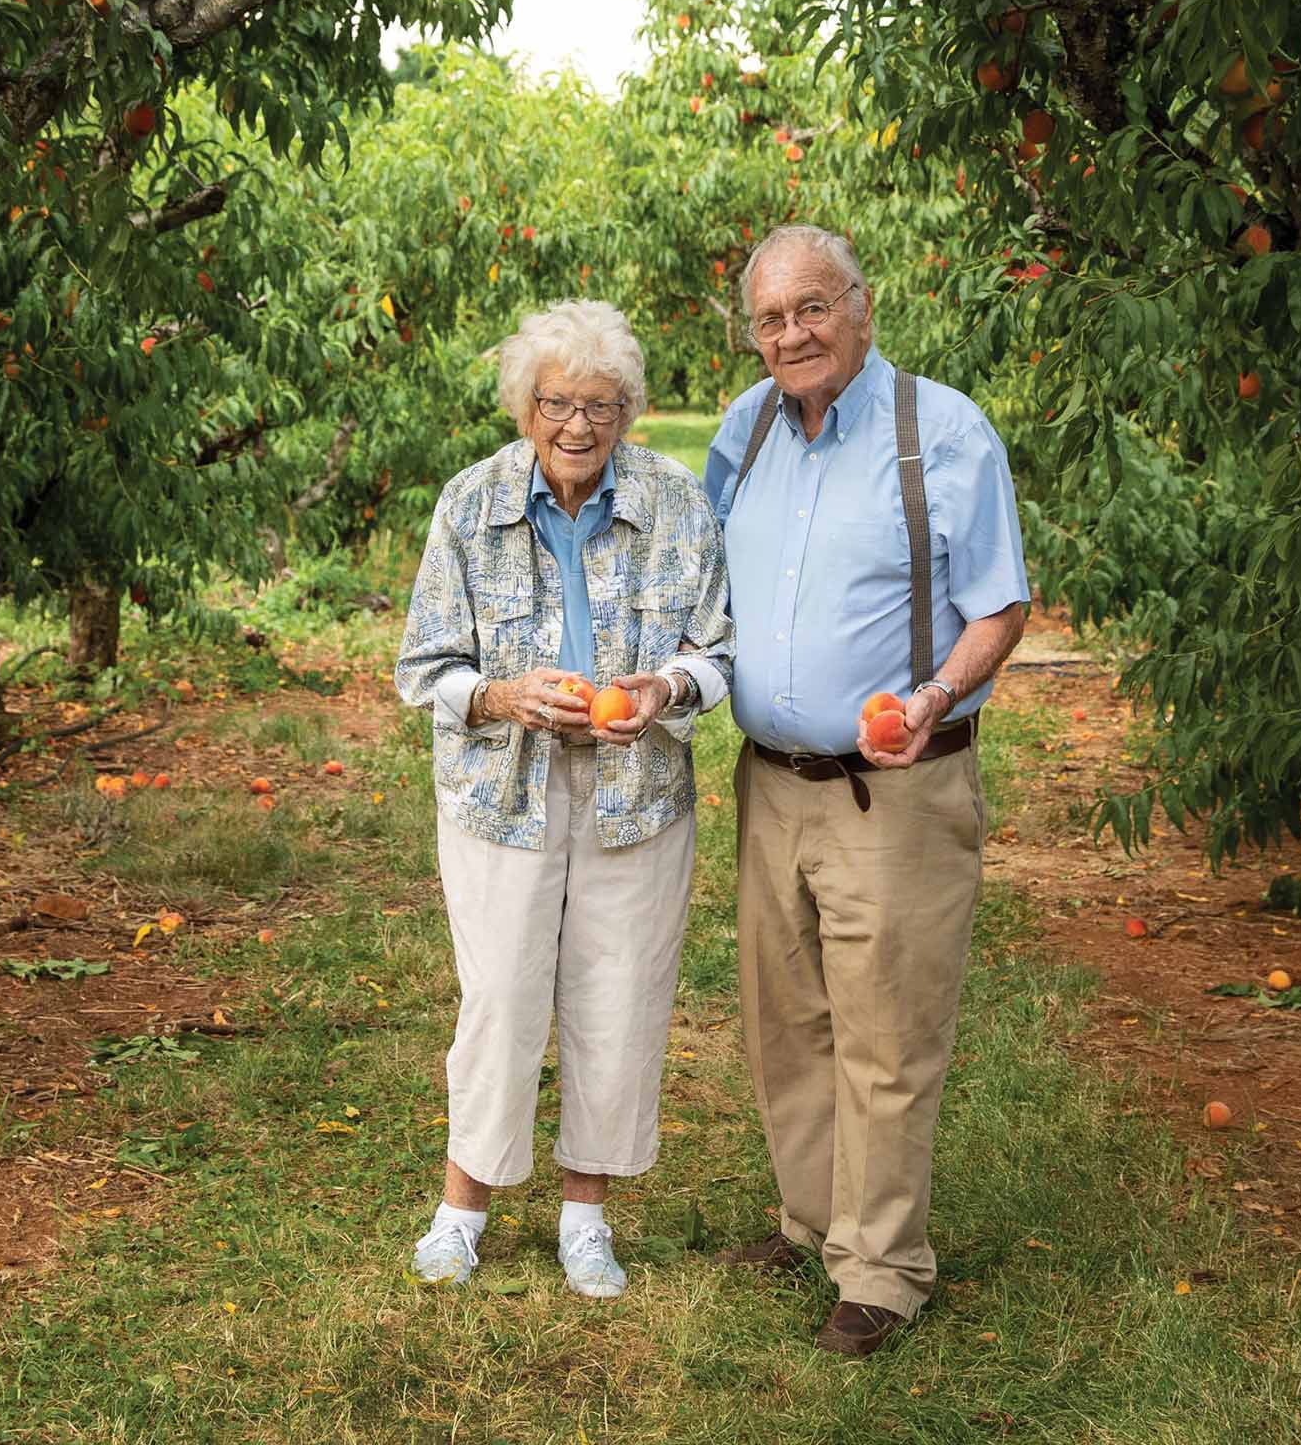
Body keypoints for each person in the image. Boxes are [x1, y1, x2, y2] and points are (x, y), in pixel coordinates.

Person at [703, 225, 1028, 1358]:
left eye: (810, 308)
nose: (789, 334)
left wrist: (935, 692)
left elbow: (999, 605)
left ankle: (881, 1268)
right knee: (783, 1016)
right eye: (768, 319)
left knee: (887, 1030)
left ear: (860, 305)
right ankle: (810, 1222)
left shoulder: (939, 431)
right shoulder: (743, 431)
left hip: (892, 790)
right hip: (769, 784)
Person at [395, 299, 732, 1300]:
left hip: (637, 788)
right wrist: (503, 695)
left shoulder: (677, 501)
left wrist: (662, 691)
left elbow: (715, 653)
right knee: (500, 992)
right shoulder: (469, 503)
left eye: (601, 404)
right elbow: (424, 666)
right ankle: (462, 1208)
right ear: (522, 403)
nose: (577, 425)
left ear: (630, 409)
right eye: (556, 401)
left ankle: (585, 1215)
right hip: (504, 785)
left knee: (619, 992)